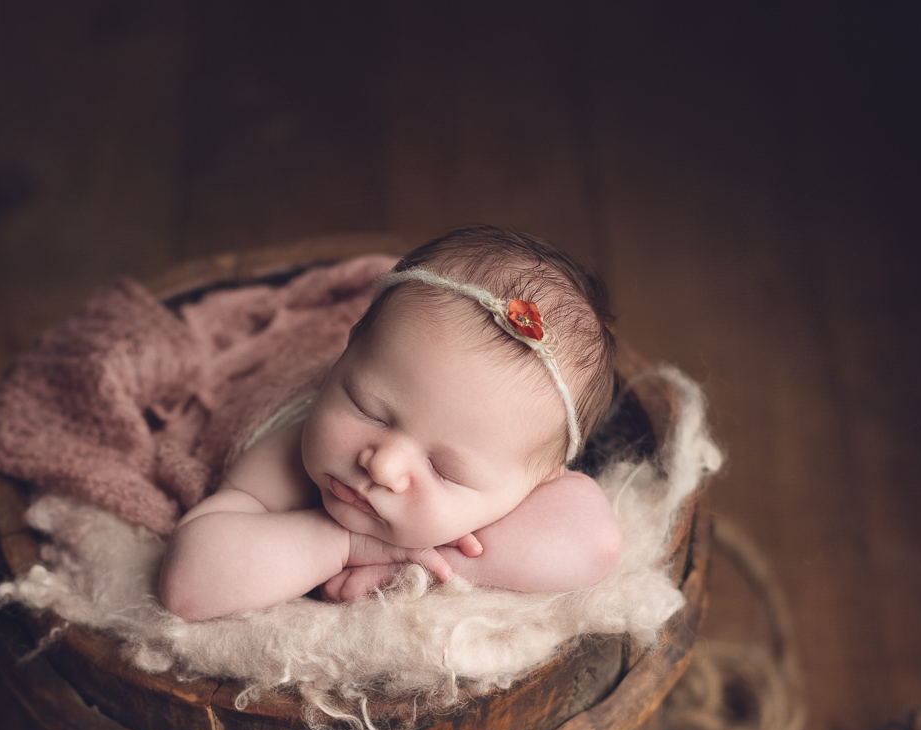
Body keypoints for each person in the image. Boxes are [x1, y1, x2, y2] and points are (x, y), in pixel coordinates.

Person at [158, 227, 624, 621]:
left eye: (444, 470)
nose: (382, 466)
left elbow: (596, 543)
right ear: (348, 349)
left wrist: (416, 564)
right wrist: (345, 544)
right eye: (369, 410)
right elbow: (187, 583)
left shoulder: (516, 466)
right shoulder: (289, 452)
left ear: (537, 486)